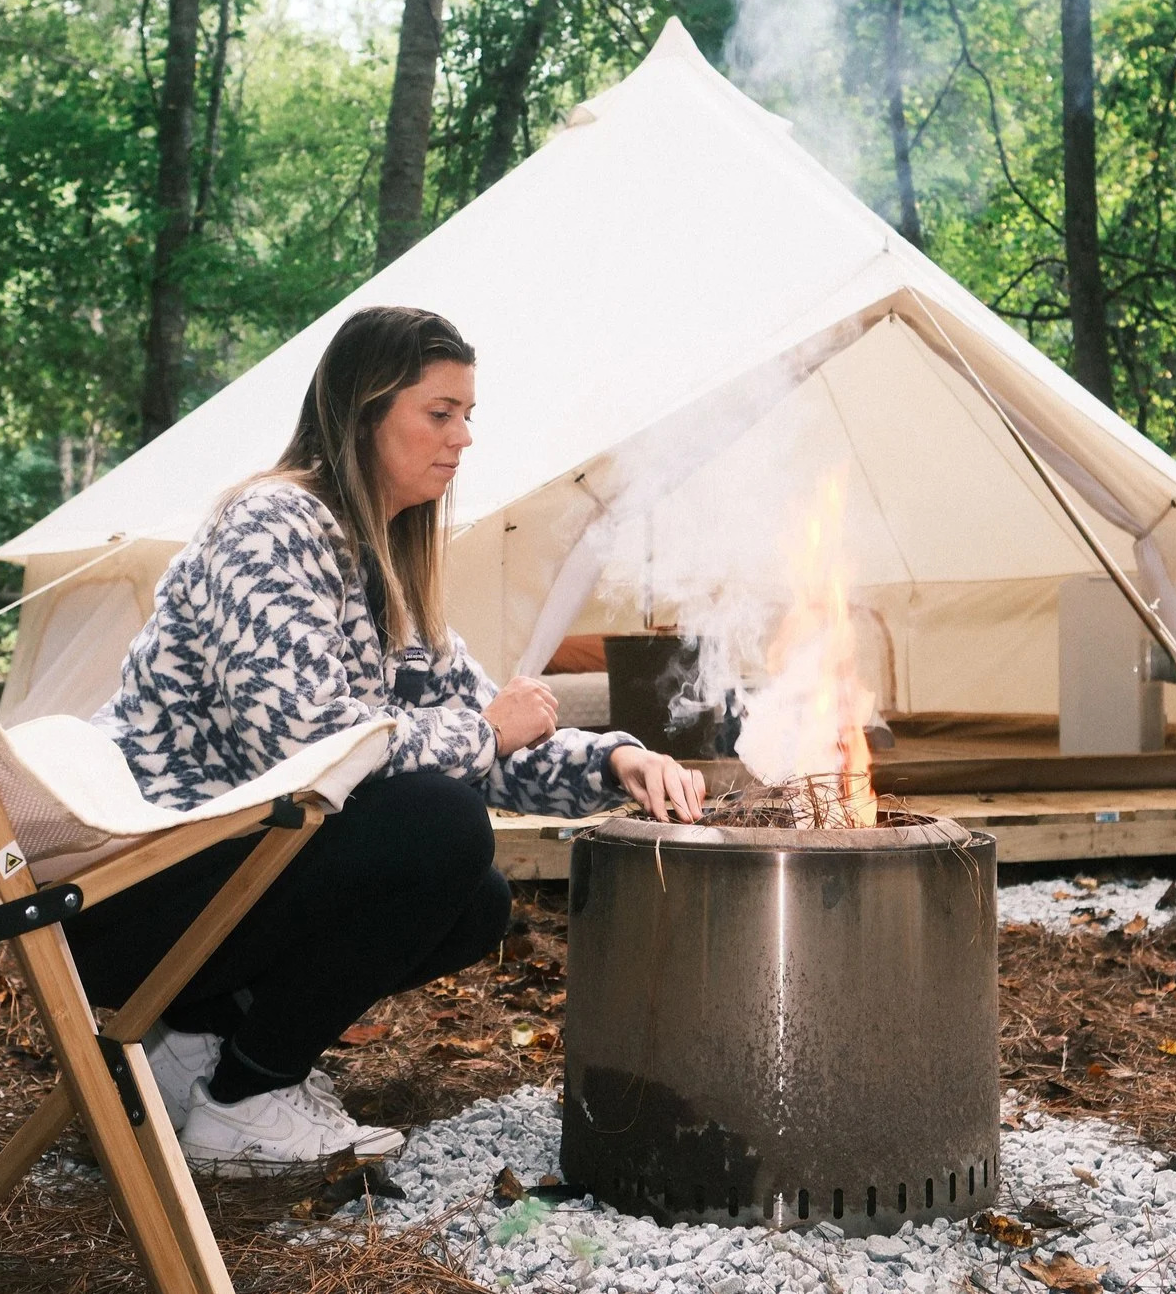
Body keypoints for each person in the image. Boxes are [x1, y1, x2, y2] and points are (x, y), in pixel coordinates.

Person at [65, 305, 705, 1174]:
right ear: (364, 413)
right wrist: (483, 731)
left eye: (469, 415)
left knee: (476, 900)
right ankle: (248, 1097)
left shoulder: (388, 570)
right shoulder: (271, 526)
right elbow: (308, 739)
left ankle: (200, 1039)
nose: (464, 438)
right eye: (440, 413)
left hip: (226, 879)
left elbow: (493, 743)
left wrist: (615, 757)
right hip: (135, 888)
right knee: (437, 824)